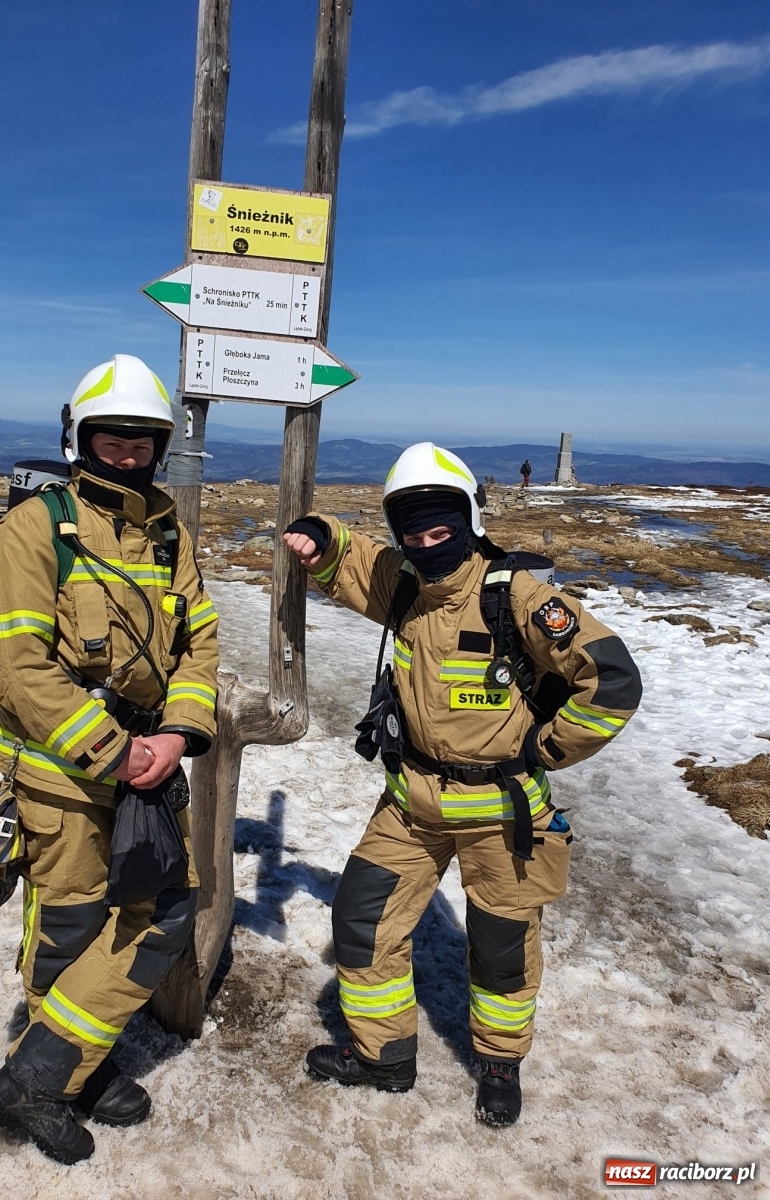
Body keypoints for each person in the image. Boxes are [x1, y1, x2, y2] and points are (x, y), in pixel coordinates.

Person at [282, 441, 641, 1126]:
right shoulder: (407, 584)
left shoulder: (520, 598)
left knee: (501, 950)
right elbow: (349, 559)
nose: (424, 539)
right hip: (410, 806)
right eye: (410, 528)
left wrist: (549, 744)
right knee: (360, 923)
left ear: (469, 518)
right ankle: (382, 1058)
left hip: (502, 813)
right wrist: (317, 533)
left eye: (439, 525)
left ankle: (499, 1067)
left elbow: (613, 680)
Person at [0, 354, 219, 1163]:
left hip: (147, 761)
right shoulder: (35, 527)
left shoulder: (165, 529)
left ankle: (41, 1074)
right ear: (79, 435)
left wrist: (178, 734)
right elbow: (17, 665)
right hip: (62, 773)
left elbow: (199, 642)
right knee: (73, 927)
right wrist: (113, 751)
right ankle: (74, 1068)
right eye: (110, 435)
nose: (126, 450)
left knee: (163, 908)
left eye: (142, 438)